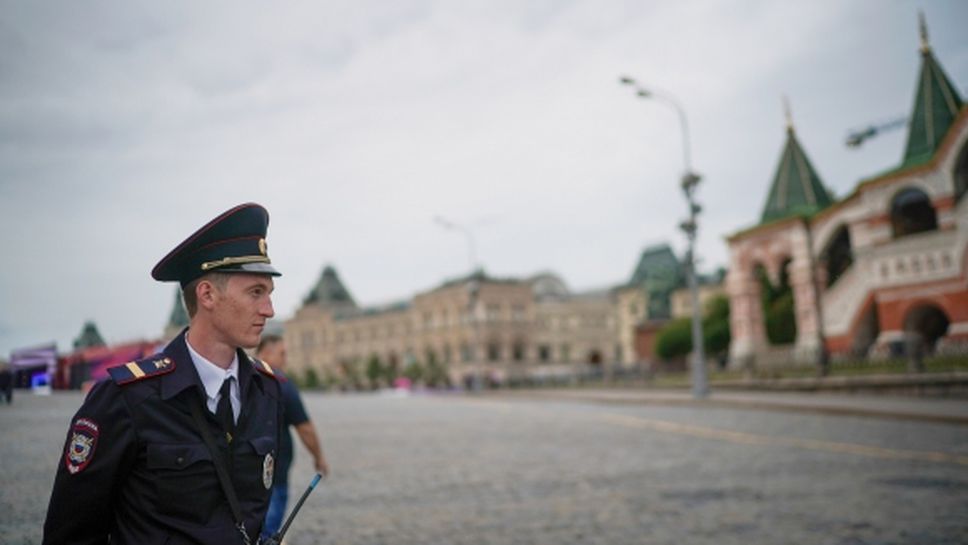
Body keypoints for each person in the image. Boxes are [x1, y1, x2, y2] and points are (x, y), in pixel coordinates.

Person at [44, 203, 284, 545]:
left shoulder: (266, 391)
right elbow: (71, 534)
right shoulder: (126, 398)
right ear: (207, 295)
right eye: (255, 292)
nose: (269, 310)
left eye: (269, 294)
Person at [257, 334, 329, 539]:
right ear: (266, 352)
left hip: (243, 477)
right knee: (268, 534)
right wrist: (319, 457)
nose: (285, 359)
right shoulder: (280, 384)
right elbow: (304, 428)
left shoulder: (240, 377)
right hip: (274, 475)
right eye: (282, 353)